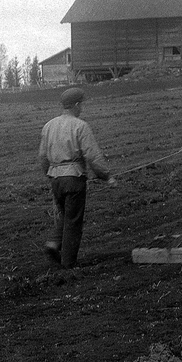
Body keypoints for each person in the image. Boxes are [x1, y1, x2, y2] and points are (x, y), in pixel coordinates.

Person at [36, 86, 115, 268]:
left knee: (66, 215)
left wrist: (50, 174)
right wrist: (106, 176)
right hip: (74, 179)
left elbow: (42, 156)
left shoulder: (49, 126)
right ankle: (68, 265)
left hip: (55, 179)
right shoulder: (80, 126)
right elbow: (92, 156)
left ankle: (53, 243)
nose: (82, 109)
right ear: (76, 105)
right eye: (82, 105)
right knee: (73, 221)